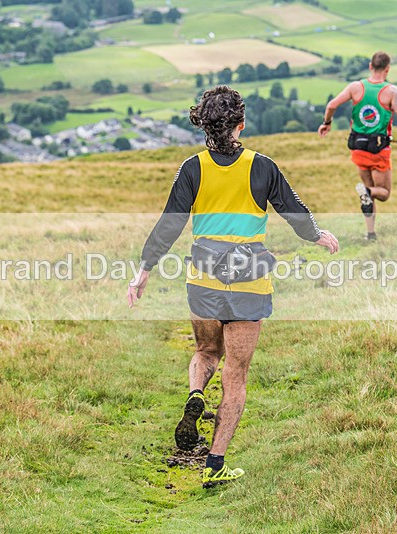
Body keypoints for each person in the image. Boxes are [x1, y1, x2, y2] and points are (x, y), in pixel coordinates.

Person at [127, 86, 338, 488]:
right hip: (248, 283)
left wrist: (144, 269)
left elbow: (169, 224)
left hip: (203, 279)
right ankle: (216, 463)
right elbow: (294, 211)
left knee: (206, 350)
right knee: (236, 375)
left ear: (204, 126)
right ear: (241, 124)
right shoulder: (263, 166)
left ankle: (195, 393)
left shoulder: (192, 168)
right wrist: (317, 235)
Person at [318, 51, 397, 241]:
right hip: (379, 150)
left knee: (367, 194)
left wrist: (327, 123)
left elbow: (331, 106)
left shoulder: (355, 87)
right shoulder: (391, 91)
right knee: (383, 193)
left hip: (358, 148)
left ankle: (370, 233)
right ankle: (367, 193)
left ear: (370, 66)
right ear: (387, 69)